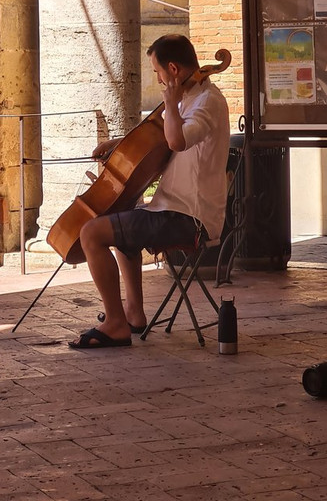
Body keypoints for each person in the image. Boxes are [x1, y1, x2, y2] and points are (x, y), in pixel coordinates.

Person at [69, 34, 230, 349]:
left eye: (157, 73)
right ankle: (133, 314)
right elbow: (157, 139)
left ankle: (115, 326)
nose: (157, 79)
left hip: (188, 216)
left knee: (91, 234)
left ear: (172, 69)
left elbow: (177, 141)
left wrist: (171, 104)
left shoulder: (207, 102)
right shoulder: (189, 99)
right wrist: (118, 146)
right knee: (120, 221)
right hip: (170, 208)